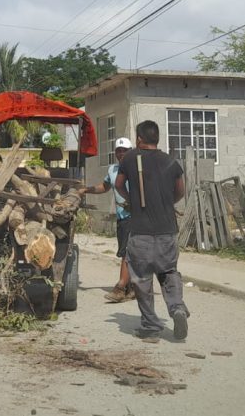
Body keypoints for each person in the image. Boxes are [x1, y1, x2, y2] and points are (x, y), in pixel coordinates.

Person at [114, 120, 190, 340]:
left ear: (139, 139)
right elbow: (180, 191)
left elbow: (119, 185)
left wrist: (132, 201)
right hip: (167, 231)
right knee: (169, 272)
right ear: (157, 138)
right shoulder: (171, 162)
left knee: (141, 279)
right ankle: (176, 308)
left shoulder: (129, 159)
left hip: (141, 232)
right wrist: (167, 203)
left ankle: (151, 327)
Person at [78, 138, 136, 303]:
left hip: (135, 216)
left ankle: (120, 287)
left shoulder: (136, 170)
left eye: (125, 150)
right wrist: (86, 190)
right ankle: (132, 288)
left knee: (126, 252)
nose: (121, 153)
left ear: (131, 151)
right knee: (127, 252)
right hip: (121, 217)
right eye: (119, 150)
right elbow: (104, 187)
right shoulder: (113, 170)